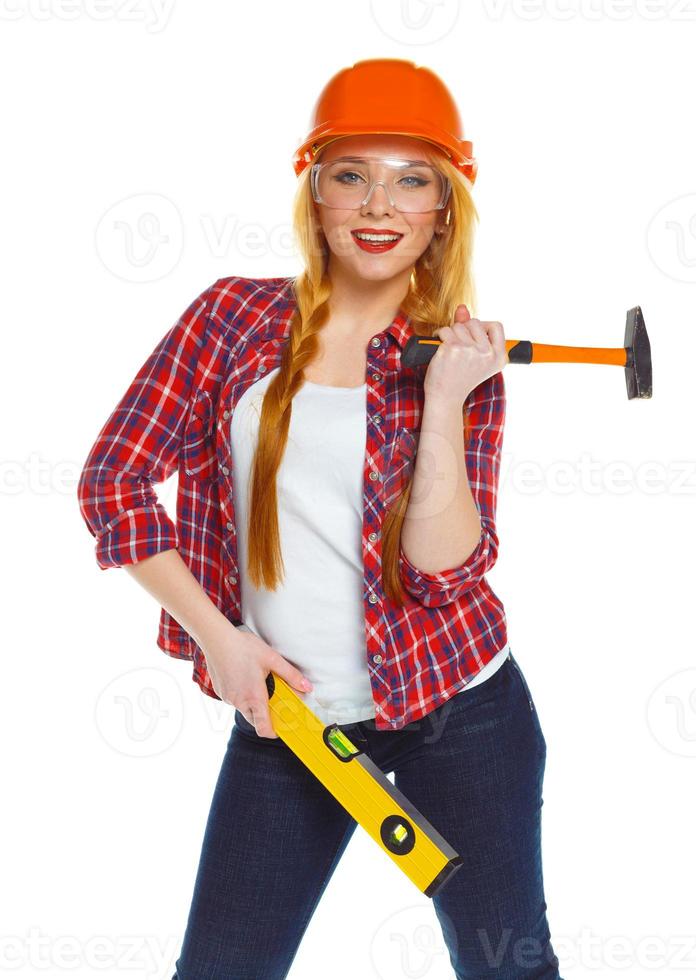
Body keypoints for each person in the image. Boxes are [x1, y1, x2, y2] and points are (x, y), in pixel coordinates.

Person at [77, 57, 563, 980]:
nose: (380, 204)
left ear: (443, 208)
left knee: (510, 968)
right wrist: (220, 639)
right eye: (352, 174)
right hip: (286, 720)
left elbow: (440, 571)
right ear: (317, 195)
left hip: (463, 714)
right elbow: (114, 483)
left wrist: (451, 402)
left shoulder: (457, 359)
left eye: (411, 178)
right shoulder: (230, 320)